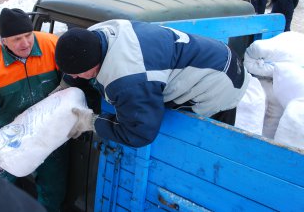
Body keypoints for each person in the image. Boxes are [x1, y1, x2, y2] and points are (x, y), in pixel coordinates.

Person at [54, 20, 249, 147]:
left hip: (221, 85)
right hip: (218, 53)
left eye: (78, 74)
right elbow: (79, 58)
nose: (76, 77)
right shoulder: (97, 33)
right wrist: (65, 86)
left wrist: (91, 122)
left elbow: (139, 133)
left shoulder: (127, 78)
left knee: (199, 140)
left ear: (93, 64)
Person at [0, 8, 68, 212]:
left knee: (53, 190)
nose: (25, 43)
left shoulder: (52, 45)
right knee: (0, 187)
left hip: (51, 135)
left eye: (28, 35)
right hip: (11, 139)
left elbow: (80, 76)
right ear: (4, 41)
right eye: (17, 39)